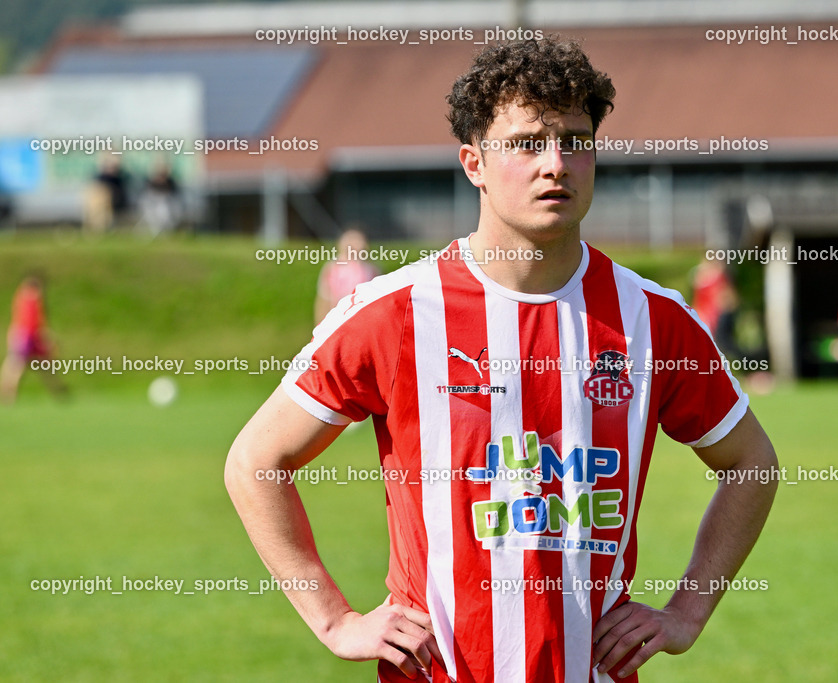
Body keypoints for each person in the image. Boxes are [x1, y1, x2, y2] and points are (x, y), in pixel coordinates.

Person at [225, 38, 777, 682]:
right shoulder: (394, 313)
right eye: (526, 143)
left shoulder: (653, 318)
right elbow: (255, 461)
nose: (556, 164)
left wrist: (688, 611)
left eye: (575, 140)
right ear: (474, 162)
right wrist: (334, 620)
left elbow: (751, 462)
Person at [1, 274, 67, 403]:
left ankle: (58, 391)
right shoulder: (30, 299)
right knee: (17, 367)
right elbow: (31, 322)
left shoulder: (22, 298)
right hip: (27, 336)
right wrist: (45, 336)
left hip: (26, 336)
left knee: (42, 366)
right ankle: (7, 395)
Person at [314, 228, 380, 324]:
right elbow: (323, 300)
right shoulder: (332, 268)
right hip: (337, 321)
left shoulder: (371, 270)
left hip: (363, 322)